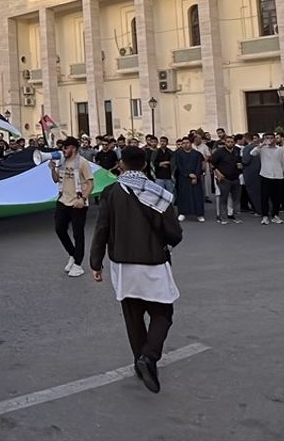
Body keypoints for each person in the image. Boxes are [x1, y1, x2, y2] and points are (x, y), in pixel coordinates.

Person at [89, 146, 183, 394]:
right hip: (153, 261)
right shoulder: (157, 192)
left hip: (122, 263)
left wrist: (95, 263)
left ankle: (139, 360)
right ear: (144, 164)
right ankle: (149, 357)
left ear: (121, 164)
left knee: (133, 317)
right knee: (163, 312)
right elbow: (174, 233)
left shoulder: (111, 192)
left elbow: (102, 229)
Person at [50, 137, 93, 276]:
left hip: (78, 202)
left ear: (73, 148)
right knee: (59, 228)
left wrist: (83, 198)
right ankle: (73, 254)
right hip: (63, 200)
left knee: (77, 234)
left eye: (65, 147)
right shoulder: (62, 161)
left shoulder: (83, 163)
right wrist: (52, 169)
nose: (63, 150)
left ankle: (78, 264)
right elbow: (57, 179)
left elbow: (91, 183)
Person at [251, 133, 284, 225]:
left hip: (278, 175)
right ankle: (265, 216)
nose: (270, 140)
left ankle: (275, 215)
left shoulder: (279, 149)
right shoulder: (262, 149)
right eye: (267, 138)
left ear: (275, 139)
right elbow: (252, 153)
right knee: (264, 197)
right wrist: (262, 144)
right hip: (265, 175)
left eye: (271, 138)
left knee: (277, 197)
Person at [208, 135, 244, 224]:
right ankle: (222, 217)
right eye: (228, 142)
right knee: (223, 198)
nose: (230, 143)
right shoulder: (219, 152)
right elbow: (212, 163)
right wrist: (218, 173)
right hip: (224, 178)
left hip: (236, 177)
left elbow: (241, 161)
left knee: (236, 199)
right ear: (225, 143)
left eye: (232, 142)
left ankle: (235, 216)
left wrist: (241, 166)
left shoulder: (237, 151)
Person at [172, 138, 205, 222]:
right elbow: (179, 166)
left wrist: (195, 176)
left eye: (187, 143)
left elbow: (199, 165)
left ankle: (199, 214)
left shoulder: (197, 154)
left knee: (197, 196)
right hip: (183, 178)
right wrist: (188, 174)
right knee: (183, 196)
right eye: (183, 143)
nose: (185, 144)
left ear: (191, 143)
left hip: (196, 178)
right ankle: (182, 213)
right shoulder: (178, 154)